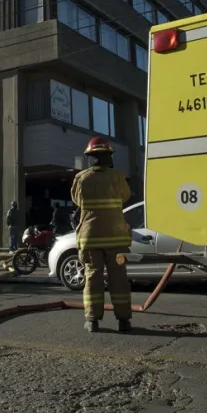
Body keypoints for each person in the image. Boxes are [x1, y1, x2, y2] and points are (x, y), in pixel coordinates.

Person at [71, 136, 133, 333]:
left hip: (90, 238)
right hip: (116, 238)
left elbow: (76, 200)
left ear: (90, 157)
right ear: (109, 156)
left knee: (92, 278)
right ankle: (124, 321)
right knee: (119, 278)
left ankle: (92, 321)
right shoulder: (118, 177)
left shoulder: (81, 178)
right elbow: (126, 196)